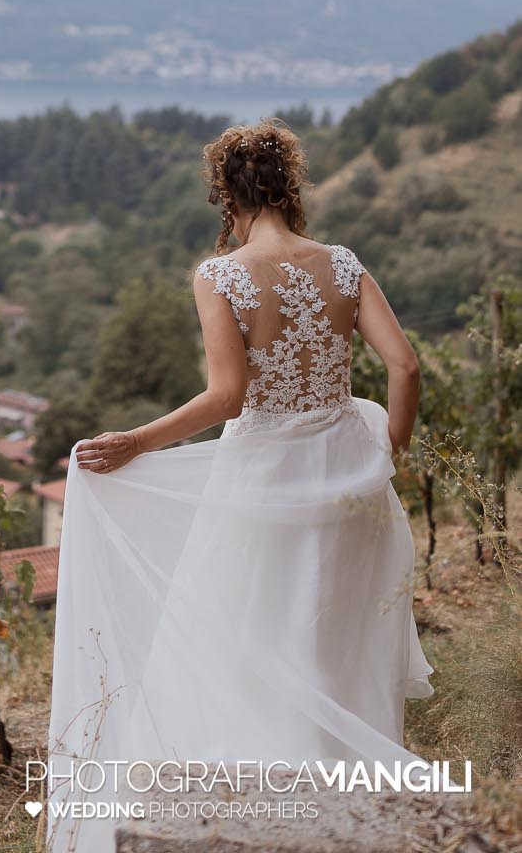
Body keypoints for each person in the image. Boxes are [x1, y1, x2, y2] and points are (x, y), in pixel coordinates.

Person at [43, 118, 433, 853]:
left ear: (225, 192)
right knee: (338, 636)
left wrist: (135, 442)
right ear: (291, 185)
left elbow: (227, 397)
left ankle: (259, 818)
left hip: (262, 480)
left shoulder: (219, 275)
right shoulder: (342, 264)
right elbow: (405, 368)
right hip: (352, 478)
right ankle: (348, 812)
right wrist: (390, 453)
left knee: (251, 636)